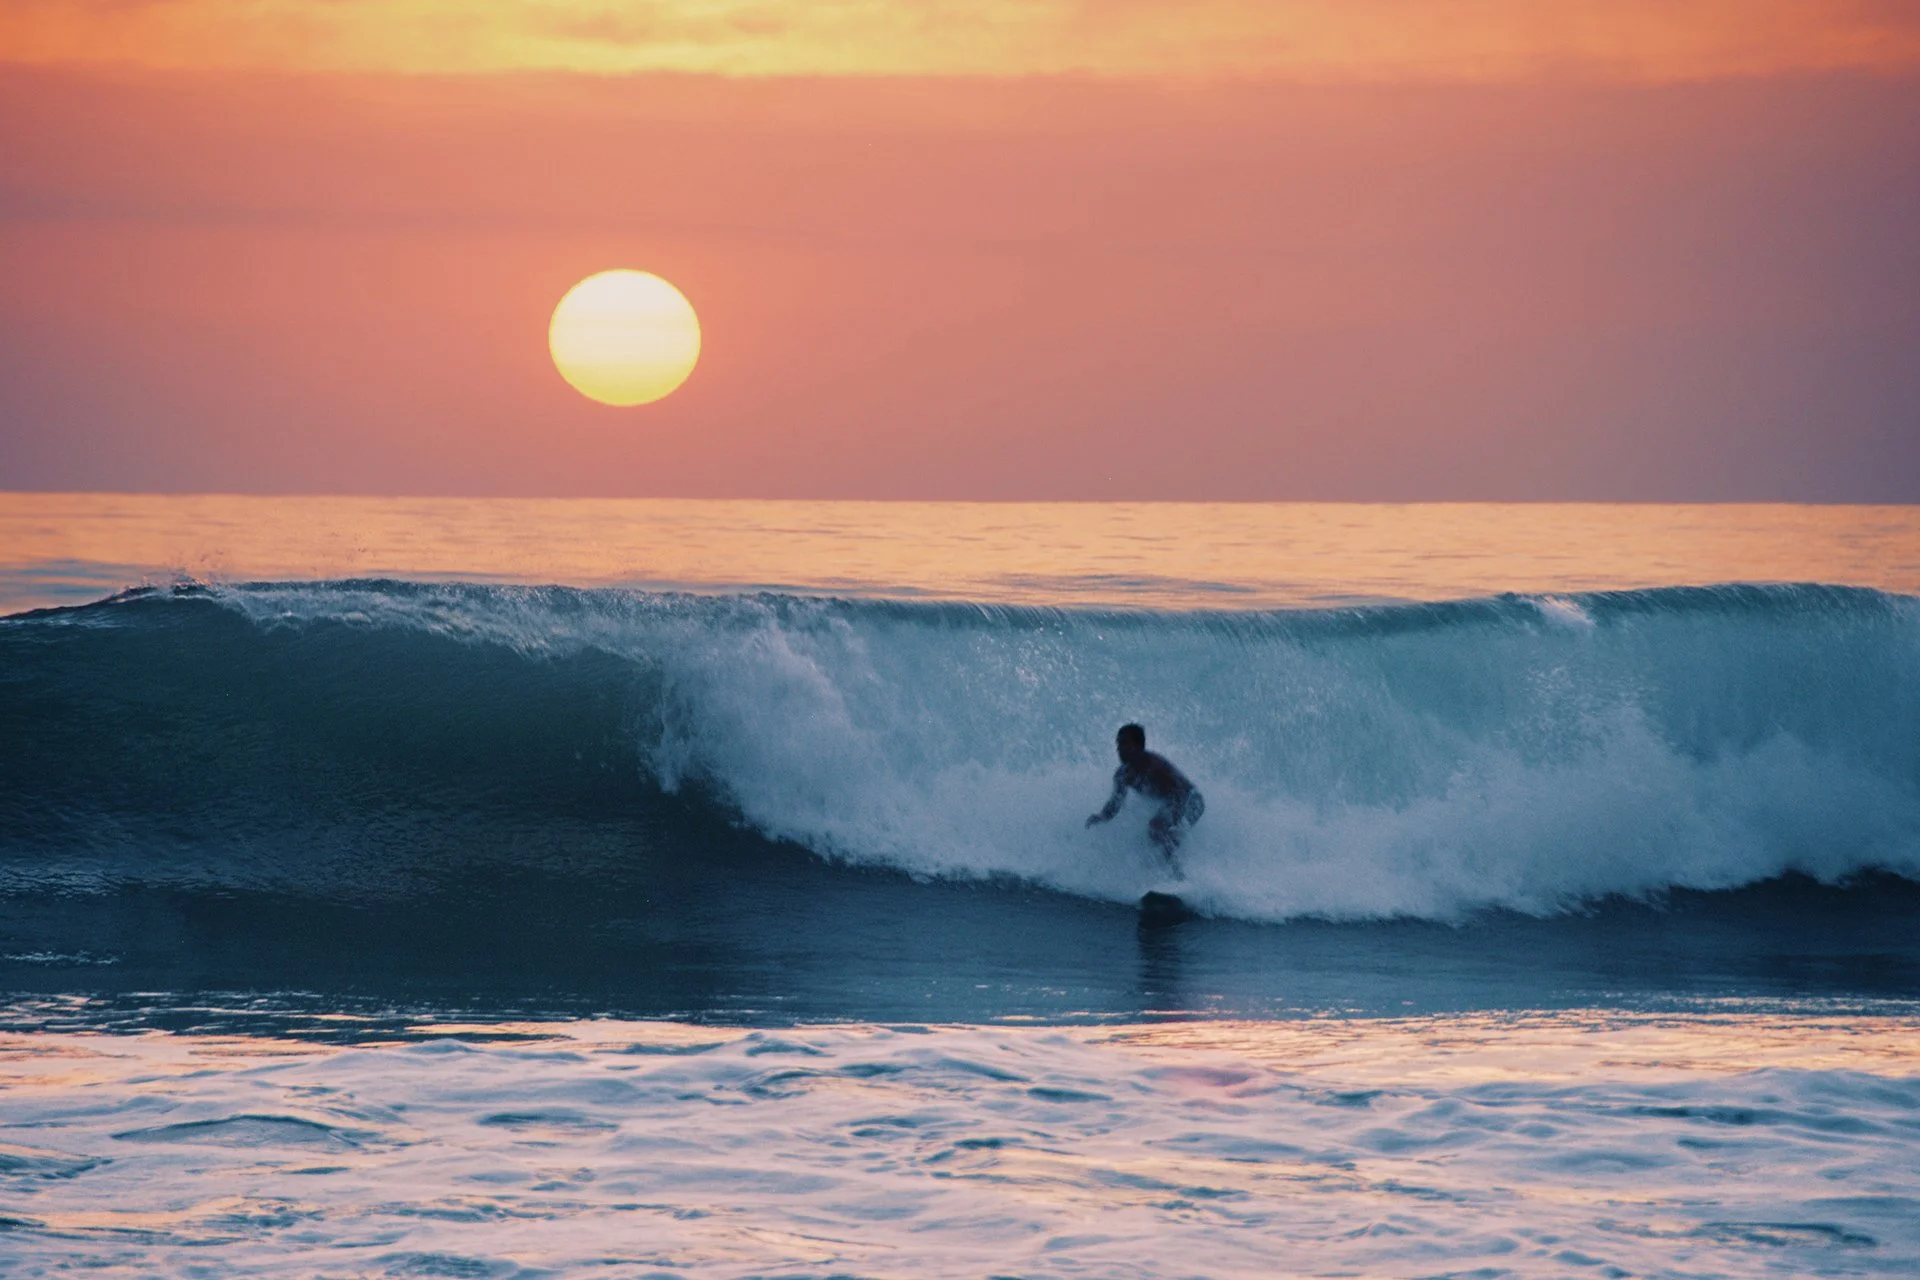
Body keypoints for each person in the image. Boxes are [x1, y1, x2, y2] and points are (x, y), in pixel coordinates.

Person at [1085, 723, 1204, 863]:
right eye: (1118, 744)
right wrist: (1100, 817)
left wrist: (1173, 825)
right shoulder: (1123, 775)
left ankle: (1177, 874)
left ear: (1139, 746)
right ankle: (1160, 871)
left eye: (1125, 744)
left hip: (1192, 802)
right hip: (1174, 802)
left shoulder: (1155, 766)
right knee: (1151, 836)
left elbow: (1182, 794)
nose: (1119, 749)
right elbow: (1115, 803)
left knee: (1157, 828)